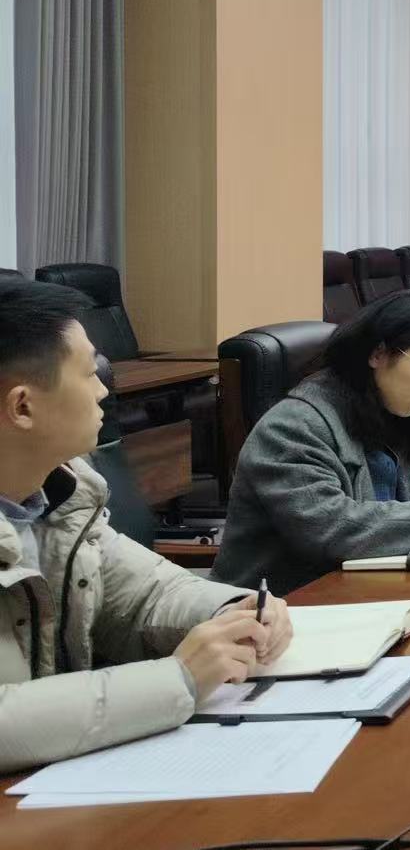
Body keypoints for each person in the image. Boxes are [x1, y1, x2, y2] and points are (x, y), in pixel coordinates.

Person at [0, 280, 294, 770]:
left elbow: (148, 593)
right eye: (87, 373)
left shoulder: (62, 498)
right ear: (22, 407)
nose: (103, 389)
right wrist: (178, 680)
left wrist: (231, 611)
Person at [216, 290, 410, 595]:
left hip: (368, 593)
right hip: (281, 609)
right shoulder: (292, 428)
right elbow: (329, 528)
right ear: (378, 353)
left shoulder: (383, 411)